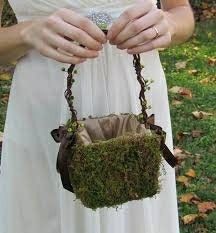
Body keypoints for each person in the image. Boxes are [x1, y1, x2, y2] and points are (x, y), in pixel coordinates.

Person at [0, 0, 194, 233]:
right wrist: (26, 32)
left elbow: (181, 12)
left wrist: (169, 24)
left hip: (137, 102)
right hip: (45, 110)